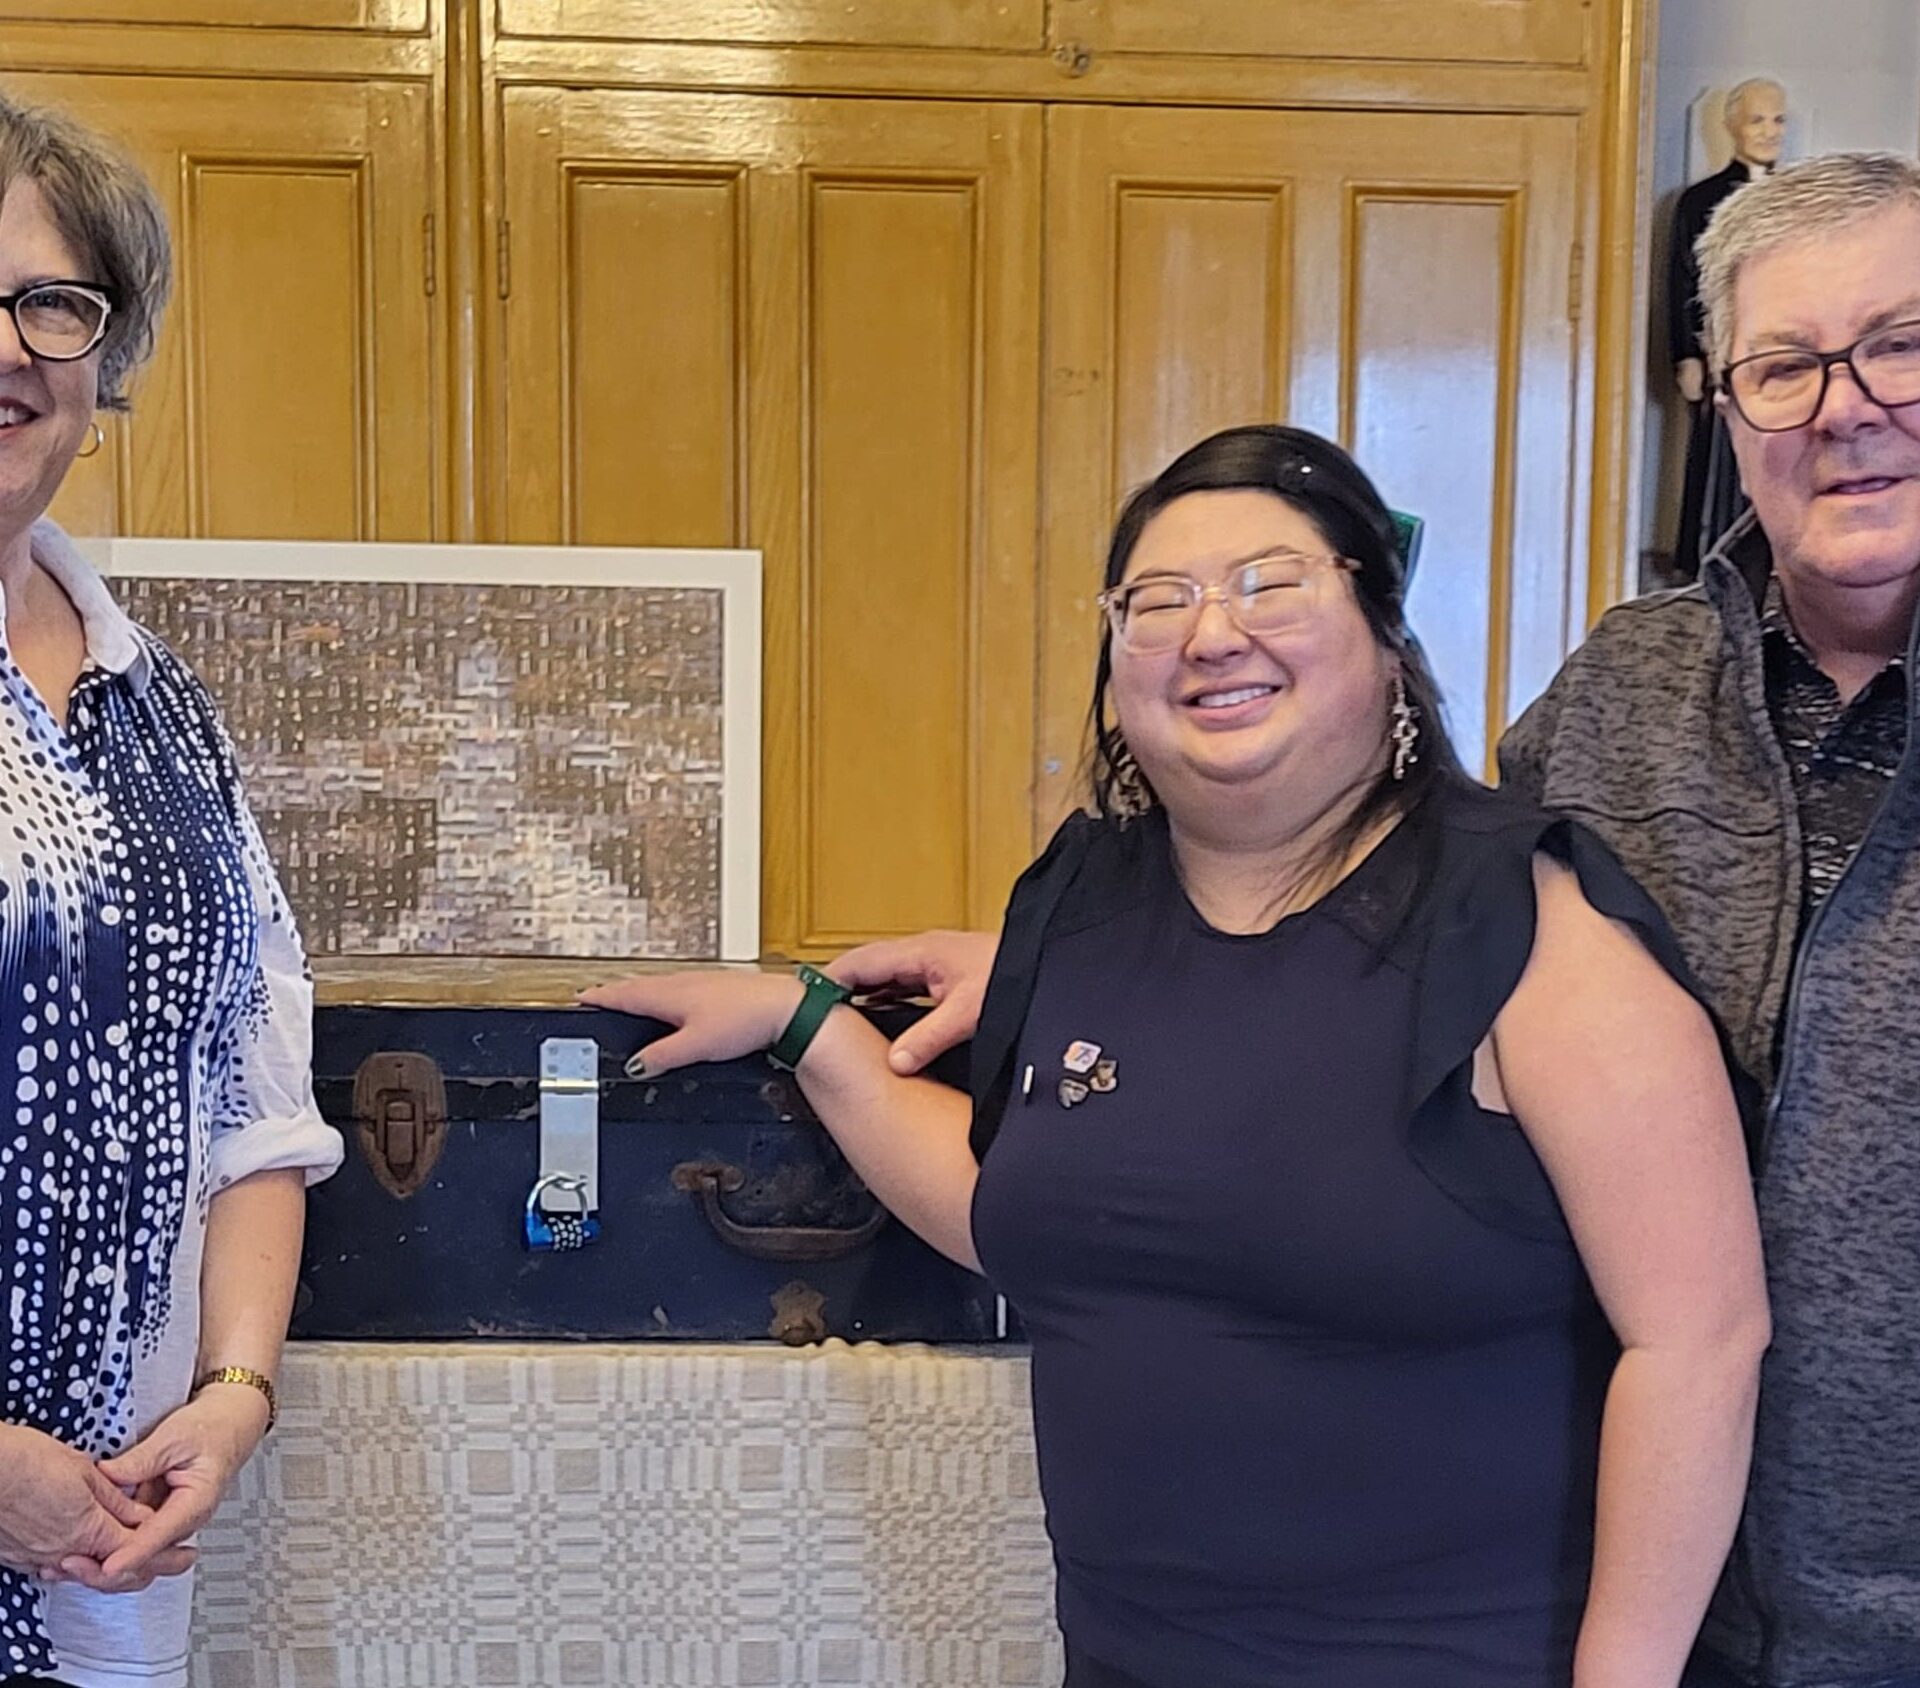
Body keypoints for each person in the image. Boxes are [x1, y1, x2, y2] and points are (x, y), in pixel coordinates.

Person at [845, 152, 1920, 1688]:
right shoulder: (1630, 689)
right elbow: (1405, 908)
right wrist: (1071, 982)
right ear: (1729, 410)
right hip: (1669, 1589)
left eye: (1901, 343)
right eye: (1788, 366)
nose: (1848, 404)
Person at [588, 425, 1768, 1687]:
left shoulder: (1536, 929)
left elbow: (1699, 1337)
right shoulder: (1082, 903)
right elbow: (1023, 1208)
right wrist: (812, 1026)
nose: (1212, 635)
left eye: (1272, 583)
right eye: (1158, 602)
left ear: (1383, 631)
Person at [0, 93, 342, 1688]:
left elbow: (252, 1099)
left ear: (99, 353)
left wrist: (232, 1392)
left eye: (47, 302)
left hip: (112, 1535)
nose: (5, 346)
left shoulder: (166, 708)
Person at [1667, 76, 1787, 578]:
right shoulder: (1700, 200)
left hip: (1781, 355)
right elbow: (1680, 277)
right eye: (1758, 119)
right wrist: (1685, 354)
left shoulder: (1795, 199)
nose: (1769, 132)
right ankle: (1704, 563)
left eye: (1778, 120)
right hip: (1721, 354)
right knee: (1715, 459)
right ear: (1732, 124)